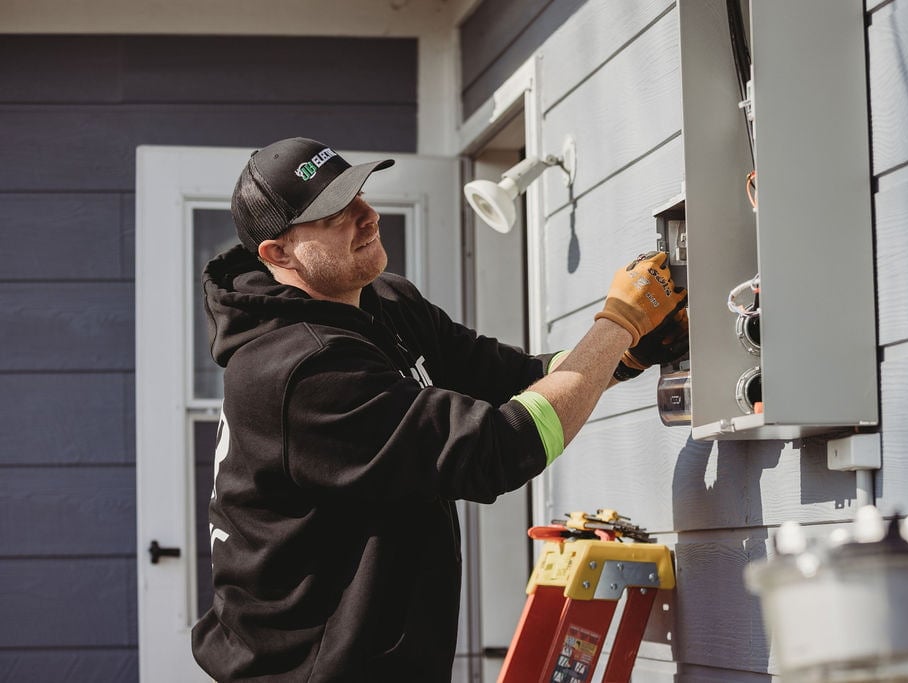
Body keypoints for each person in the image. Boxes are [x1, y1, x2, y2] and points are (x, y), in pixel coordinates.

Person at [191, 137, 687, 682]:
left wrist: (630, 350)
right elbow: (500, 447)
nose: (368, 215)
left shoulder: (389, 304)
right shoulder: (298, 369)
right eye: (335, 213)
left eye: (359, 193)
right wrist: (616, 322)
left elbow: (517, 381)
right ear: (278, 253)